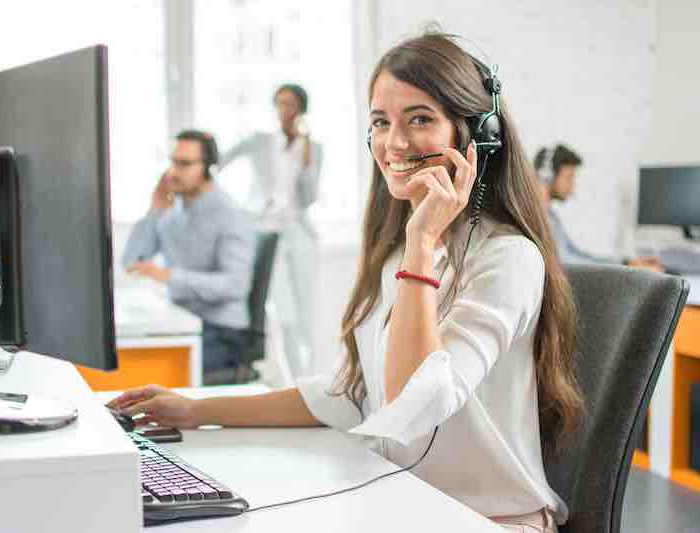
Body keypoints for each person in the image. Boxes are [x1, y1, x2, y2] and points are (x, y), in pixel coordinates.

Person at [110, 30, 585, 533]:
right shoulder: (400, 253)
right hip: (406, 505)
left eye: (419, 119)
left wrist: (424, 237)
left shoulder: (507, 259)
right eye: (381, 122)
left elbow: (414, 405)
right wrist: (197, 410)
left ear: (476, 136)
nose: (394, 143)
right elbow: (353, 394)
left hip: (490, 520)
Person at [122, 130, 256, 378]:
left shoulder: (231, 215)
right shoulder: (174, 210)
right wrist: (154, 210)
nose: (174, 172)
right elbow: (132, 262)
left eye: (184, 164)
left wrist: (170, 276)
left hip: (222, 332)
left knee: (146, 371)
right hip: (181, 321)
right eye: (172, 162)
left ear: (208, 168)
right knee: (124, 356)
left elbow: (236, 285)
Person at [219, 84, 323, 376]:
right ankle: (290, 376)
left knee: (306, 308)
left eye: (289, 104)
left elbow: (309, 197)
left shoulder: (313, 148)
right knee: (281, 308)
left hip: (299, 233)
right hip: (265, 231)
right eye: (279, 103)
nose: (283, 110)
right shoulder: (259, 141)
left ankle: (309, 376)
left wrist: (306, 158)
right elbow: (219, 162)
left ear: (301, 109)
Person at [534, 144, 662, 270]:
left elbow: (578, 255)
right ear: (547, 176)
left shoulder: (551, 217)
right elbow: (567, 263)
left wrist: (627, 263)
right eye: (569, 177)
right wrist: (629, 268)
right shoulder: (538, 218)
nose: (572, 187)